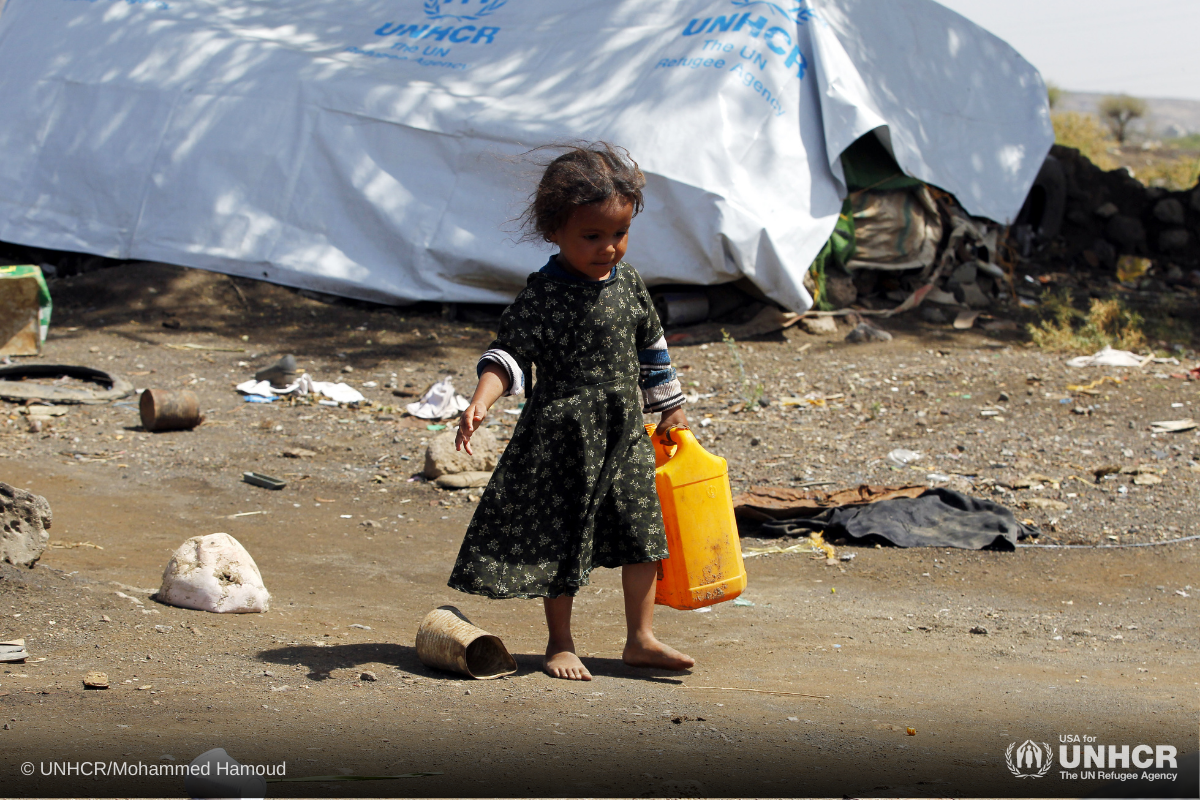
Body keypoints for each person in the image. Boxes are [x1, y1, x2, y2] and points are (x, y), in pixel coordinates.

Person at [449, 142, 695, 681]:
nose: (609, 248)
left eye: (620, 234)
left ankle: (641, 639)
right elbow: (509, 353)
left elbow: (652, 350)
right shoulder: (544, 294)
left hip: (624, 433)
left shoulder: (629, 285)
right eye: (592, 236)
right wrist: (481, 400)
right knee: (562, 540)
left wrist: (670, 409)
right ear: (554, 231)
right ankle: (560, 642)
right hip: (561, 439)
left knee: (642, 532)